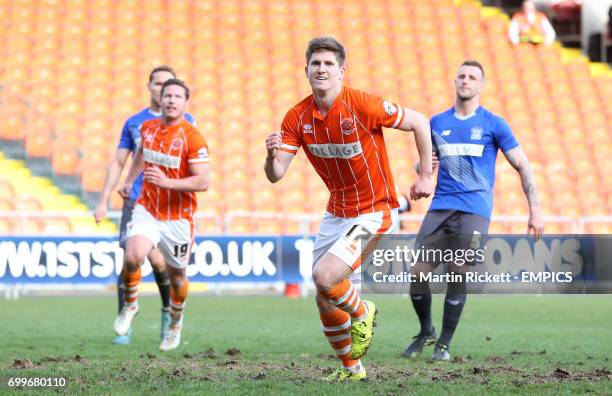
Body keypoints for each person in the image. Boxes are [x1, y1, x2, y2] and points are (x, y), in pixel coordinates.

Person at [264, 36, 434, 381]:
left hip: (373, 209)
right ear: (306, 71)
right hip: (336, 213)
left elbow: (419, 121)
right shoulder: (297, 117)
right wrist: (269, 156)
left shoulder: (362, 105)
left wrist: (427, 175)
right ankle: (352, 370)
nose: (321, 69)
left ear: (341, 71)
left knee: (325, 277)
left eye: (329, 64)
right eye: (316, 64)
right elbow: (276, 175)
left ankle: (363, 312)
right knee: (324, 296)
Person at [403, 60, 544, 361]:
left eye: (472, 77)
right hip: (440, 208)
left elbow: (523, 165)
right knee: (417, 272)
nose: (465, 81)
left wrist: (535, 210)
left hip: (474, 212)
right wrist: (424, 168)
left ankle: (443, 344)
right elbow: (423, 166)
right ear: (455, 81)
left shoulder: (494, 124)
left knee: (457, 272)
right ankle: (426, 329)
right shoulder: (437, 123)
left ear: (481, 86)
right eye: (461, 76)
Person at [94, 66, 196, 345]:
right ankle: (125, 326)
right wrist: (104, 199)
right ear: (152, 88)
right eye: (159, 85)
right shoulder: (135, 123)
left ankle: (168, 314)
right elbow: (121, 160)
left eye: (171, 88)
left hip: (170, 206)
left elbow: (192, 165)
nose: (165, 93)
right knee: (131, 257)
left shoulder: (187, 123)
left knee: (161, 263)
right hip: (138, 202)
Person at [112, 78, 210, 351]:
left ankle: (175, 324)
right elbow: (141, 156)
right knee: (133, 254)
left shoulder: (193, 137)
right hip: (148, 207)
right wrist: (130, 180)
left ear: (185, 102)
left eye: (177, 96)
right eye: (167, 95)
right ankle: (131, 306)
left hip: (179, 217)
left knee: (177, 276)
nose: (171, 100)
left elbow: (203, 182)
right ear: (160, 99)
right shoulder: (147, 128)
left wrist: (168, 183)